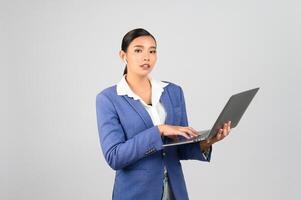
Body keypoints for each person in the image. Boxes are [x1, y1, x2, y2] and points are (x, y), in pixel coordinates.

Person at [95, 28, 231, 200]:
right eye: (138, 50)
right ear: (123, 56)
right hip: (135, 194)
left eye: (152, 51)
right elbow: (115, 157)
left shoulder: (173, 92)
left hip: (175, 191)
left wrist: (208, 141)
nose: (147, 57)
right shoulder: (108, 99)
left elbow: (179, 149)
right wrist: (159, 130)